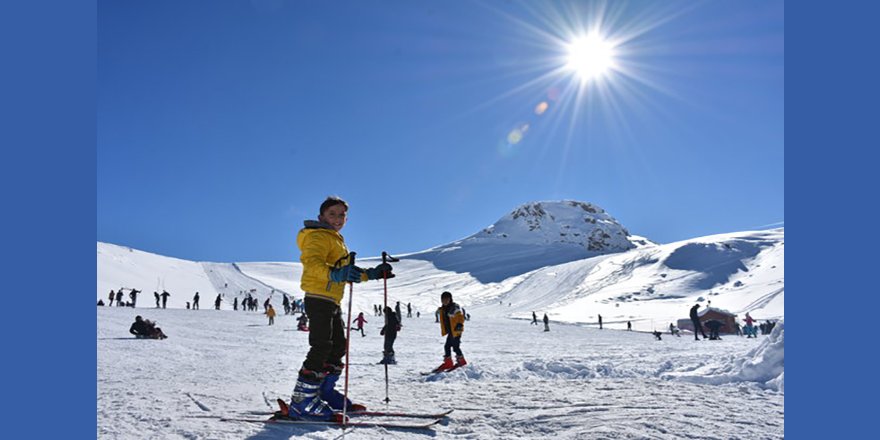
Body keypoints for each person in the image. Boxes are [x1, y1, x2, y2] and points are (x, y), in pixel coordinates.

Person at [280, 196, 395, 420]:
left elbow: (345, 272)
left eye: (341, 214)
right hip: (318, 296)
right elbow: (313, 264)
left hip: (332, 299)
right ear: (321, 217)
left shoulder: (336, 240)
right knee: (321, 345)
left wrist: (371, 274)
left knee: (338, 346)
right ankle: (302, 400)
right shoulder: (317, 236)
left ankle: (322, 391)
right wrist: (334, 273)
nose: (337, 218)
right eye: (332, 214)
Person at [433, 291, 467, 372]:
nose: (444, 301)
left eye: (446, 299)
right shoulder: (443, 309)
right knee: (447, 346)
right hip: (451, 331)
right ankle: (448, 363)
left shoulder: (454, 307)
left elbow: (461, 317)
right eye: (443, 300)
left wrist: (459, 324)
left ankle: (461, 362)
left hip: (456, 331)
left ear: (450, 299)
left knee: (455, 347)